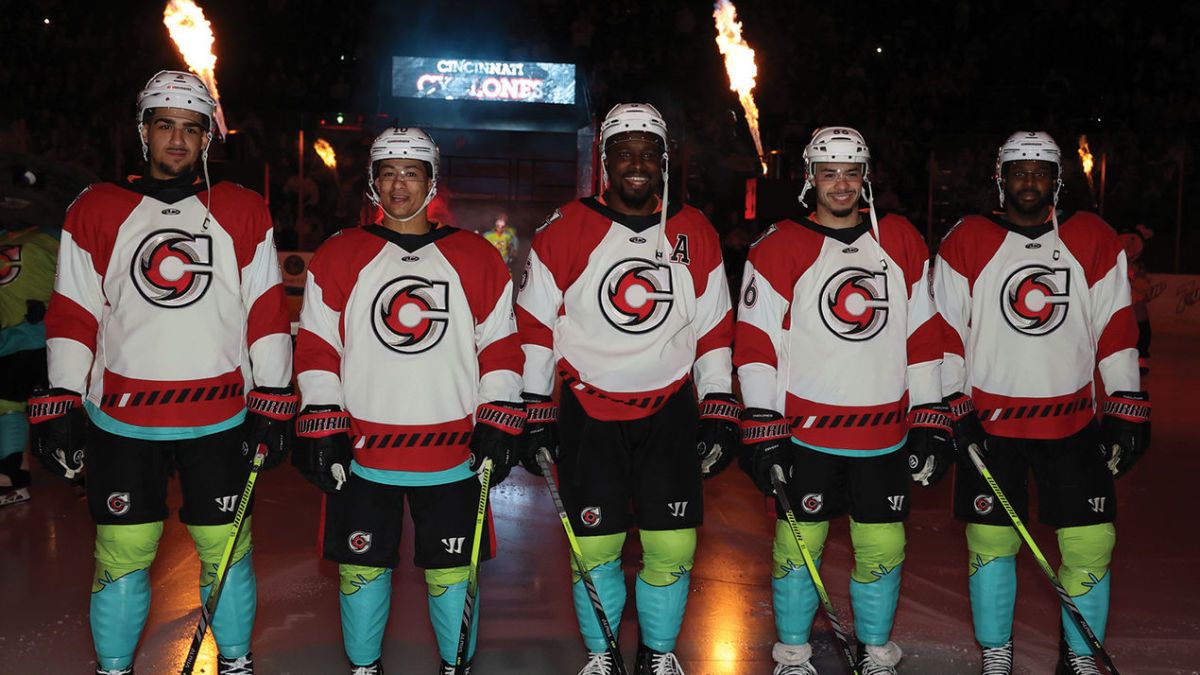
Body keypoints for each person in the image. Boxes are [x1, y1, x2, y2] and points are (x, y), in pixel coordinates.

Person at [28, 71, 296, 675]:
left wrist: (275, 395)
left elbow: (265, 309)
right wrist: (62, 399)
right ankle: (115, 668)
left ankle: (234, 663)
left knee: (224, 551)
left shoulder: (243, 208)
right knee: (122, 553)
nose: (178, 140)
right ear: (142, 132)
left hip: (221, 418)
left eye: (191, 129)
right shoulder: (95, 207)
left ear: (208, 139)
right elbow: (74, 309)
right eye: (165, 125)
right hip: (121, 420)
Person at [292, 126, 525, 675]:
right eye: (388, 172)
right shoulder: (340, 251)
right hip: (364, 454)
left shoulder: (475, 255)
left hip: (453, 455)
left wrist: (497, 417)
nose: (399, 184)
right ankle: (364, 669)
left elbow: (501, 346)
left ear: (431, 180)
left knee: (451, 574)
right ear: (373, 183)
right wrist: (322, 418)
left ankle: (454, 667)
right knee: (360, 569)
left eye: (411, 172)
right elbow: (318, 345)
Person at [516, 103, 738, 675]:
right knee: (595, 548)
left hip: (671, 410)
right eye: (624, 152)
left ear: (663, 161)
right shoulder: (564, 227)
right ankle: (603, 655)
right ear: (605, 160)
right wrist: (535, 405)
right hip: (589, 413)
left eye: (648, 153)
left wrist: (717, 402)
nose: (636, 164)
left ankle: (659, 655)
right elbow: (535, 323)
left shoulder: (696, 230)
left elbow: (713, 325)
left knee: (672, 545)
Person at [931, 131, 1150, 674]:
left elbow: (1116, 326)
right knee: (989, 541)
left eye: (1040, 171)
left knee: (1091, 543)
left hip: (1072, 426)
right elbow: (943, 331)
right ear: (999, 178)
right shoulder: (966, 238)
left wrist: (1126, 403)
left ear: (1057, 179)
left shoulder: (1093, 237)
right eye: (1019, 170)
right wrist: (952, 403)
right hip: (990, 426)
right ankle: (997, 655)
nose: (1029, 180)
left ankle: (1080, 659)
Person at [734, 127, 944, 675]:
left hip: (885, 434)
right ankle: (793, 654)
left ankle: (876, 649)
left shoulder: (900, 238)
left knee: (883, 548)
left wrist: (930, 415)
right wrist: (761, 419)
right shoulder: (778, 245)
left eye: (852, 172)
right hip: (808, 435)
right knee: (796, 549)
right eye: (830, 173)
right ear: (811, 179)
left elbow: (923, 334)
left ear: (866, 177)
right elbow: (756, 342)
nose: (841, 184)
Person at [0, 222, 58, 506]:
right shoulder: (49, 237)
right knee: (9, 406)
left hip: (50, 338)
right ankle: (13, 475)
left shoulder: (53, 236)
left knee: (13, 406)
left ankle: (14, 476)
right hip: (15, 342)